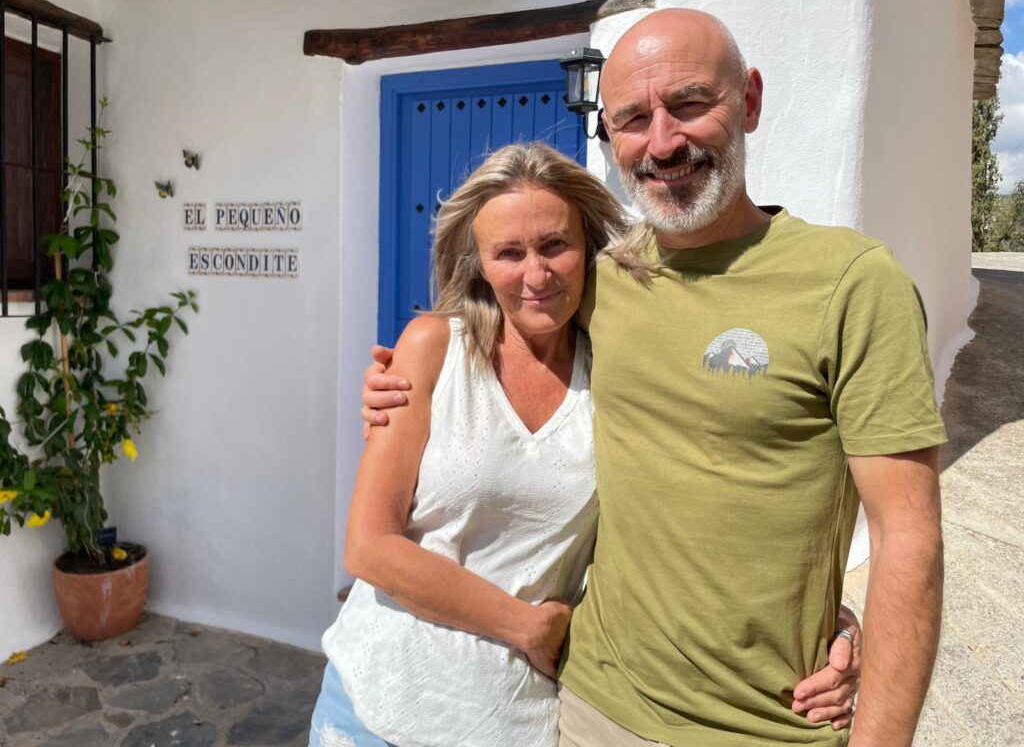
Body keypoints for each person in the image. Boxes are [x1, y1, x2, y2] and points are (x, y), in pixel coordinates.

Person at [361, 9, 945, 747]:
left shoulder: (852, 284)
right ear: (610, 134)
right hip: (589, 708)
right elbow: (495, 333)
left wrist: (850, 634)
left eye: (690, 103)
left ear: (750, 101)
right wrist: (398, 383)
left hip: (769, 727)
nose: (662, 142)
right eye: (633, 119)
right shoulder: (601, 283)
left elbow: (907, 538)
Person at [313, 142, 860, 747]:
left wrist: (828, 623)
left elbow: (704, 505)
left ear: (589, 245)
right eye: (509, 253)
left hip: (514, 725)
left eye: (554, 245)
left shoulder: (619, 368)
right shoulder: (434, 347)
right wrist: (526, 625)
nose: (536, 275)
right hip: (373, 708)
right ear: (480, 264)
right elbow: (369, 548)